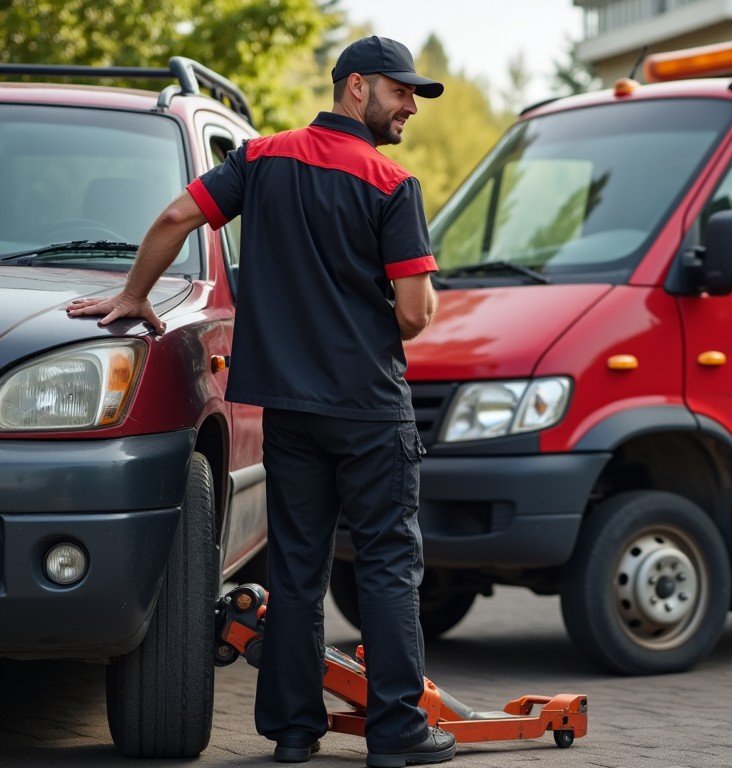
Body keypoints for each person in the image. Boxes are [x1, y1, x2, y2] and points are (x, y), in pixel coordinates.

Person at [67, 36, 454, 768]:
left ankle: (294, 732)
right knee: (387, 565)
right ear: (357, 88)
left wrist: (133, 294)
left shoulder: (261, 159)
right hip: (369, 408)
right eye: (401, 92)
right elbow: (413, 313)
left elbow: (178, 216)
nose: (409, 108)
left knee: (297, 570)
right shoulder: (390, 183)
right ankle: (398, 733)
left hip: (288, 407)